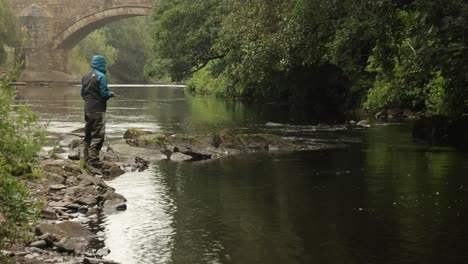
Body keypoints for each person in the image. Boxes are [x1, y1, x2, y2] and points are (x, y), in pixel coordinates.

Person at [81, 55, 116, 168]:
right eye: (104, 64)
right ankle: (93, 159)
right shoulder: (101, 76)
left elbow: (82, 94)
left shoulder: (85, 76)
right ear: (101, 64)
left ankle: (85, 158)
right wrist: (110, 94)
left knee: (88, 134)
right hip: (98, 110)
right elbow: (103, 94)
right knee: (98, 134)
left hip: (87, 109)